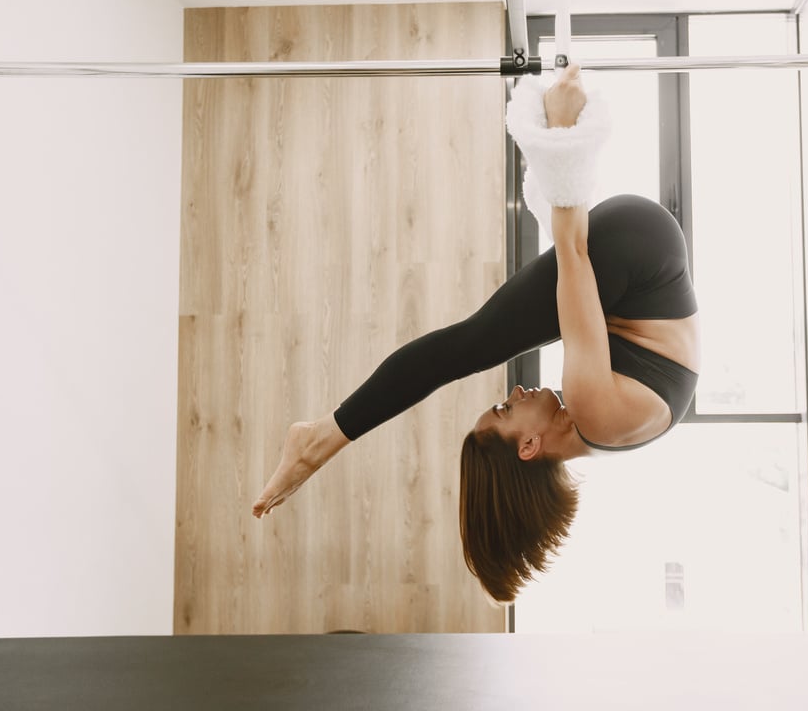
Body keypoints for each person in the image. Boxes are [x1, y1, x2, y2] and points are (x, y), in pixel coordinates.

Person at [252, 65, 700, 602]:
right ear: (529, 446)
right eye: (506, 412)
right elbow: (574, 252)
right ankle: (319, 440)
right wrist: (562, 135)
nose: (513, 394)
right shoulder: (594, 412)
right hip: (633, 251)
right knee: (470, 346)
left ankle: (322, 438)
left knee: (480, 341)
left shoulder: (601, 436)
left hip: (636, 272)